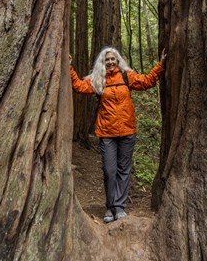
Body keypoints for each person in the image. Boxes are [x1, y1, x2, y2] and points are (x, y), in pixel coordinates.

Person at [69, 47, 166, 223]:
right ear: (103, 63)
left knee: (124, 170)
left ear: (118, 60)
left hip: (128, 132)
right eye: (107, 60)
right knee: (109, 170)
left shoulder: (127, 77)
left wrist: (161, 65)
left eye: (113, 59)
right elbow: (79, 86)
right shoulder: (99, 80)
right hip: (107, 133)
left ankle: (119, 208)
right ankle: (110, 206)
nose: (111, 62)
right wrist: (69, 68)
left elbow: (148, 81)